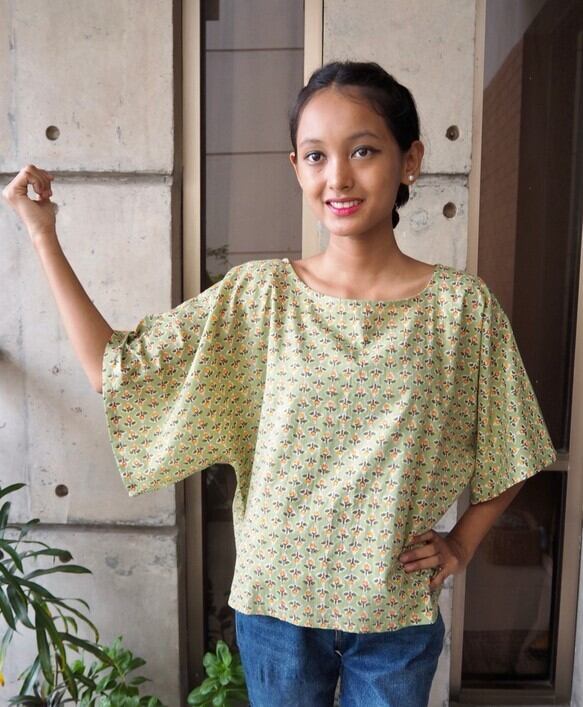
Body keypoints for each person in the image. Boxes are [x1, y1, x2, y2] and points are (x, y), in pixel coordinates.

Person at [2, 60, 557, 707]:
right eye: (316, 155)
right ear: (296, 167)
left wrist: (461, 542)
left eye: (363, 150)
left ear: (410, 160)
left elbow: (516, 441)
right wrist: (43, 234)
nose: (338, 177)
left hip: (394, 615)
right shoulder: (258, 297)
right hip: (275, 612)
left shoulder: (460, 308)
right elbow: (113, 369)